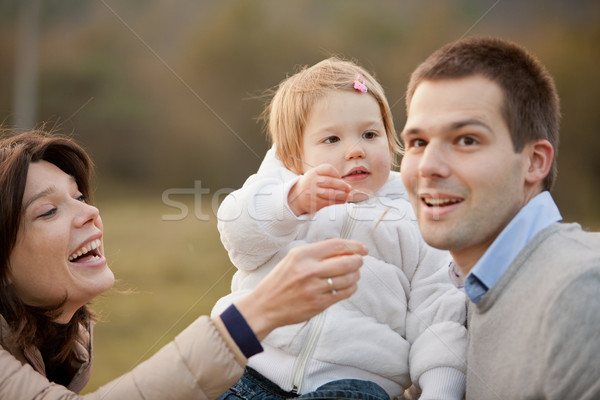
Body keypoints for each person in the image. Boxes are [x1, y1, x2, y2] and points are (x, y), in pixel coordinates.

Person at [0, 130, 369, 399]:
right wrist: (255, 315)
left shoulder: (60, 345)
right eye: (49, 211)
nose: (90, 212)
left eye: (79, 196)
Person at [212, 57, 467, 400]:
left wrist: (441, 392)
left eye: (370, 134)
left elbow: (439, 312)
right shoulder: (279, 192)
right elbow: (239, 237)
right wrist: (292, 202)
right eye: (331, 139)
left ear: (391, 141)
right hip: (250, 368)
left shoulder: (415, 215)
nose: (356, 150)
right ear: (293, 157)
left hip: (353, 383)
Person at [400, 36, 600, 399]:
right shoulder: (451, 304)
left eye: (466, 140)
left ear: (535, 161)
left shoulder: (581, 291)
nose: (428, 166)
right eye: (417, 142)